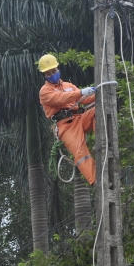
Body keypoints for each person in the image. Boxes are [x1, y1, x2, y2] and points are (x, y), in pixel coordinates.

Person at [37, 54, 97, 186]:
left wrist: (96, 92)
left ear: (58, 69)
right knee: (80, 151)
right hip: (65, 125)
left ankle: (101, 142)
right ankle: (96, 181)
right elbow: (61, 98)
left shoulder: (68, 85)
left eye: (54, 71)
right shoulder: (44, 92)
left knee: (97, 111)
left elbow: (85, 100)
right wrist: (81, 92)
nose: (52, 74)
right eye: (48, 73)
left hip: (79, 118)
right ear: (44, 75)